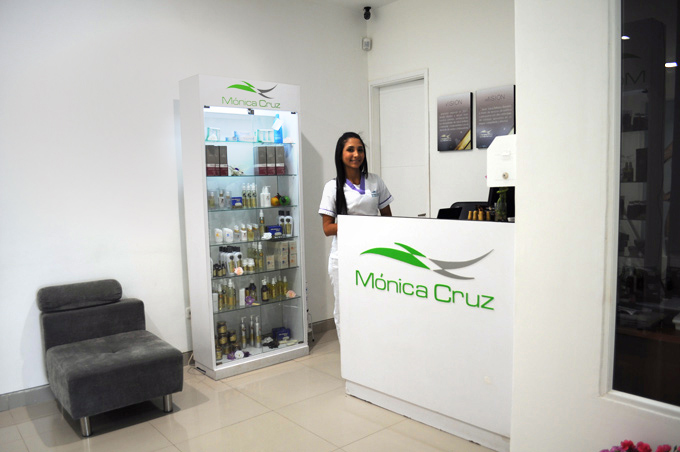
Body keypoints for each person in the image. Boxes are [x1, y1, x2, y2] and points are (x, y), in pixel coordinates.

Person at [318, 132, 393, 338]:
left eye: (360, 150)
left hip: (373, 254)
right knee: (345, 307)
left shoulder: (375, 181)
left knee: (372, 304)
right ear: (340, 154)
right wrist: (358, 225)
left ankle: (369, 348)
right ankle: (348, 352)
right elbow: (327, 228)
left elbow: (388, 218)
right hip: (343, 257)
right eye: (350, 150)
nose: (356, 154)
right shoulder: (332, 187)